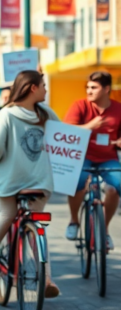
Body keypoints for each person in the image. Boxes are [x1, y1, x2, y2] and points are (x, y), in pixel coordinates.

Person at [0, 71, 60, 297]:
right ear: (33, 88)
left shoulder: (6, 113)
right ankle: (46, 279)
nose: (46, 90)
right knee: (37, 226)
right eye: (43, 85)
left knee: (6, 215)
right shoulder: (47, 114)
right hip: (40, 183)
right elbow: (63, 138)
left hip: (9, 181)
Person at [63, 71, 121, 251]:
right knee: (77, 182)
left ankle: (104, 230)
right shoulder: (79, 105)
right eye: (87, 87)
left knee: (115, 187)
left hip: (108, 158)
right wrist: (90, 126)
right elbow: (67, 132)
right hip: (82, 157)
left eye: (94, 87)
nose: (89, 91)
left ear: (106, 89)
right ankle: (74, 220)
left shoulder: (118, 109)